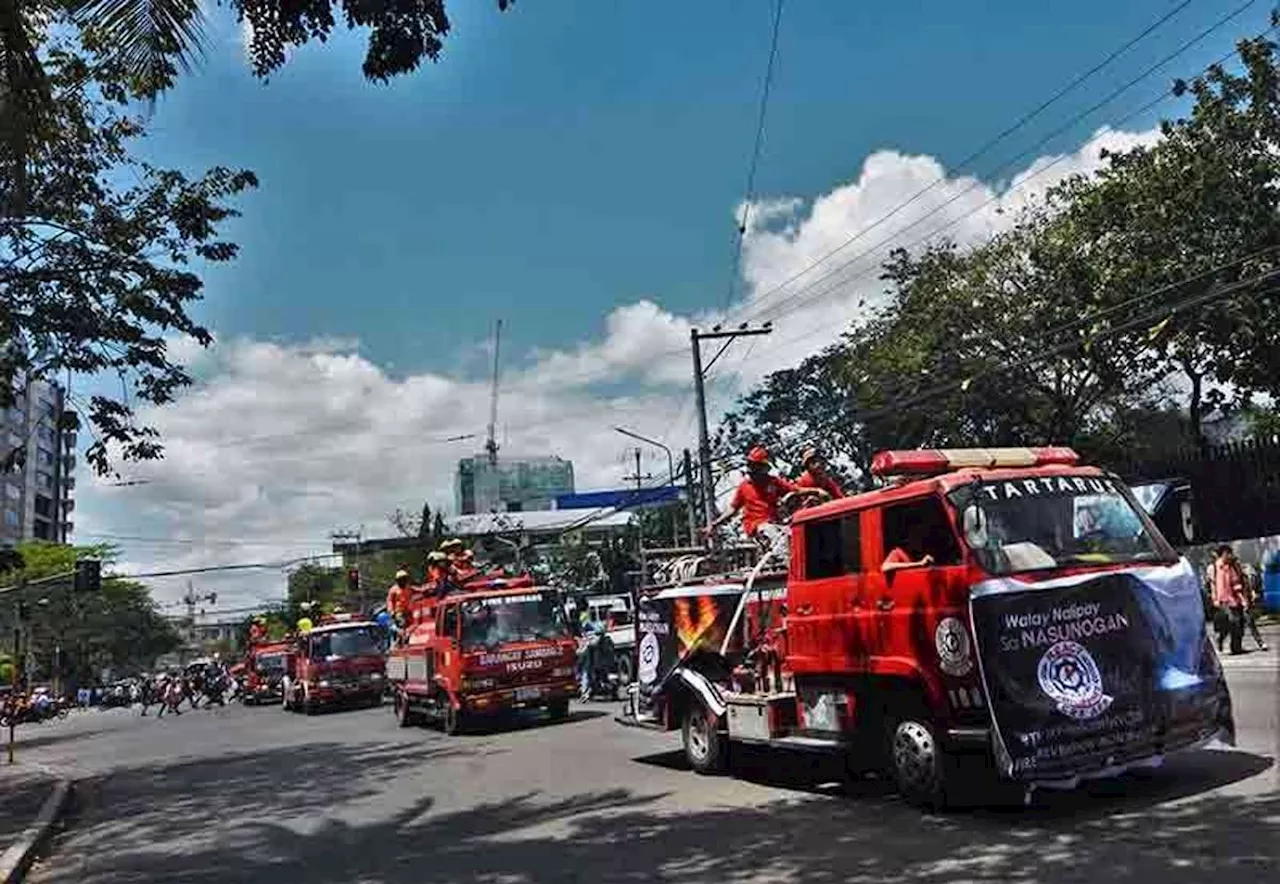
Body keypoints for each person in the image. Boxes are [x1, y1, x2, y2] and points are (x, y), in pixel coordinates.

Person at [704, 446, 827, 550]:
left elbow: (796, 490)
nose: (753, 470)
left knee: (796, 536)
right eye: (751, 466)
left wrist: (816, 491)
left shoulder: (773, 481)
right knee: (778, 542)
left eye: (756, 467)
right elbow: (732, 509)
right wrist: (715, 524)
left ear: (763, 468)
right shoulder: (744, 487)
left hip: (775, 523)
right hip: (757, 526)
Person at [1209, 545, 1247, 655]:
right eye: (1228, 553)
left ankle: (1236, 647)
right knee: (1231, 622)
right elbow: (1212, 585)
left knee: (1238, 623)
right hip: (1222, 600)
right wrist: (1214, 598)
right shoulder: (1214, 567)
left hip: (1233, 600)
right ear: (1223, 554)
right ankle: (1221, 638)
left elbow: (1236, 584)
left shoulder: (1231, 567)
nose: (1230, 556)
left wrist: (1242, 598)